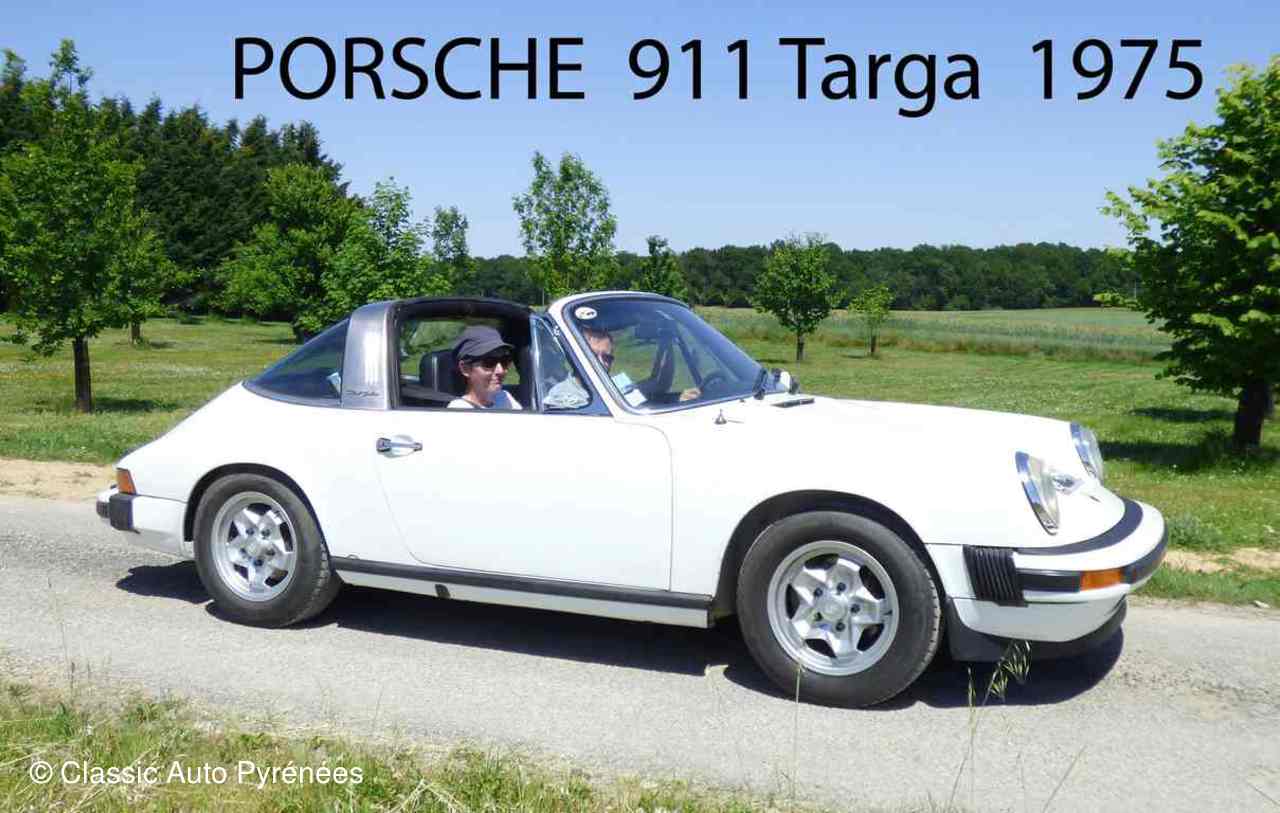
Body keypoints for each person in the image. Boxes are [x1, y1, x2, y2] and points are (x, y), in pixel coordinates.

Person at [447, 325, 523, 410]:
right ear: (465, 369)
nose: (500, 370)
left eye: (504, 361)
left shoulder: (505, 397)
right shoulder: (458, 409)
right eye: (489, 362)